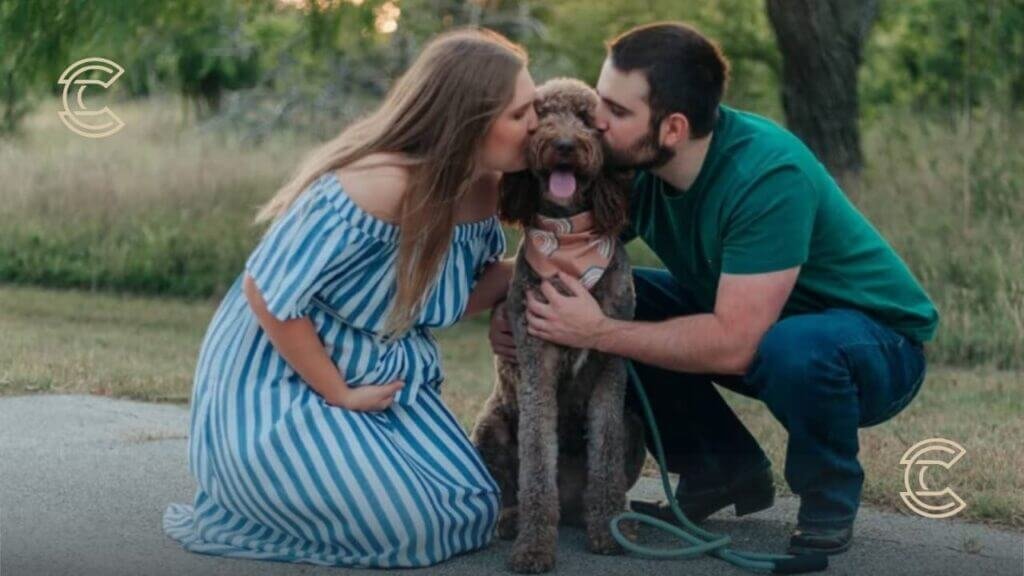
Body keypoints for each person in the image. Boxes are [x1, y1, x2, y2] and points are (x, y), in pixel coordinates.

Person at [488, 21, 939, 556]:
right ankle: (721, 467)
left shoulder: (766, 173)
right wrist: (514, 304)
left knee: (791, 347)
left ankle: (828, 498)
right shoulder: (641, 168)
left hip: (874, 347)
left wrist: (598, 331)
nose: (598, 123)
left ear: (673, 127)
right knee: (636, 295)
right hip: (762, 326)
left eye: (616, 111)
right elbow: (570, 255)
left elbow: (736, 343)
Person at [164, 28, 538, 568]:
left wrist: (533, 265)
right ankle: (252, 491)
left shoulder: (488, 187)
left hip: (377, 374)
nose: (536, 123)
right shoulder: (380, 184)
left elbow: (446, 297)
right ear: (471, 121)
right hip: (283, 379)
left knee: (473, 509)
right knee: (411, 527)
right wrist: (338, 393)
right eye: (521, 113)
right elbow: (266, 293)